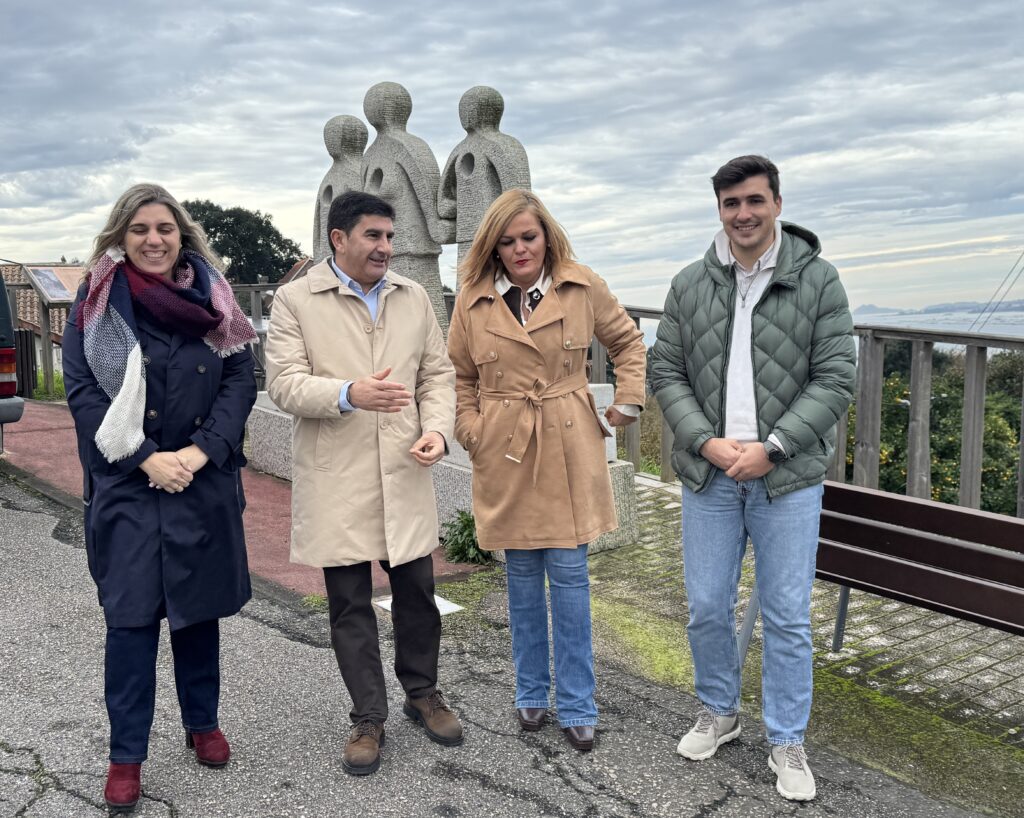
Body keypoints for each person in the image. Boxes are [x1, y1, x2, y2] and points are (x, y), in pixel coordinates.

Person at [651, 155, 856, 801]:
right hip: (709, 474)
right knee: (706, 605)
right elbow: (666, 372)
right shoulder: (690, 284)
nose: (743, 213)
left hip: (786, 476)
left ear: (777, 204)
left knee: (788, 615)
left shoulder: (818, 280)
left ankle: (786, 738)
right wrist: (704, 442)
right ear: (719, 209)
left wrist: (774, 446)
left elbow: (835, 379)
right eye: (731, 202)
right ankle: (720, 711)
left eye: (755, 200)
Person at [62, 183, 258, 813]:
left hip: (199, 479)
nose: (154, 239)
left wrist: (200, 452)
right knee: (130, 623)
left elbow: (239, 379)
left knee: (197, 616)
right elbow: (82, 390)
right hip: (127, 482)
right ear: (121, 236)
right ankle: (126, 756)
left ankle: (203, 722)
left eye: (165, 228)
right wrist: (145, 456)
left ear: (182, 234)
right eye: (141, 229)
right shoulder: (95, 304)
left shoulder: (214, 299)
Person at [264, 190, 462, 777]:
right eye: (373, 235)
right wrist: (349, 393)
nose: (386, 247)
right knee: (349, 603)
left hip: (404, 466)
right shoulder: (295, 299)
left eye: (389, 236)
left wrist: (438, 430)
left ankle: (422, 693)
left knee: (417, 594)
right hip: (339, 475)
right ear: (339, 239)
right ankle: (368, 716)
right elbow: (283, 383)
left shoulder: (413, 296)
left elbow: (437, 375)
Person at [446, 189, 646, 752]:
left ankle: (579, 703)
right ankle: (530, 693)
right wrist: (471, 429)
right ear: (494, 246)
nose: (519, 250)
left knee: (570, 577)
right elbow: (459, 375)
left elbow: (628, 343)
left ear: (546, 236)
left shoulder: (580, 285)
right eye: (507, 241)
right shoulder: (473, 299)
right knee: (521, 579)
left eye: (528, 237)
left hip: (568, 442)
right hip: (504, 447)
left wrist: (628, 403)